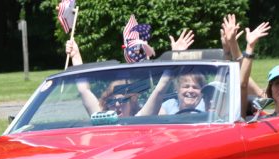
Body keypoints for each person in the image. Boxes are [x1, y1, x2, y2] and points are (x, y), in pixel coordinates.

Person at [65, 29, 195, 117]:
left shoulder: (140, 119)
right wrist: (75, 55)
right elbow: (84, 90)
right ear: (105, 104)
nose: (116, 105)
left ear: (133, 102)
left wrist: (175, 56)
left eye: (123, 100)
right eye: (111, 101)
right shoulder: (101, 119)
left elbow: (159, 90)